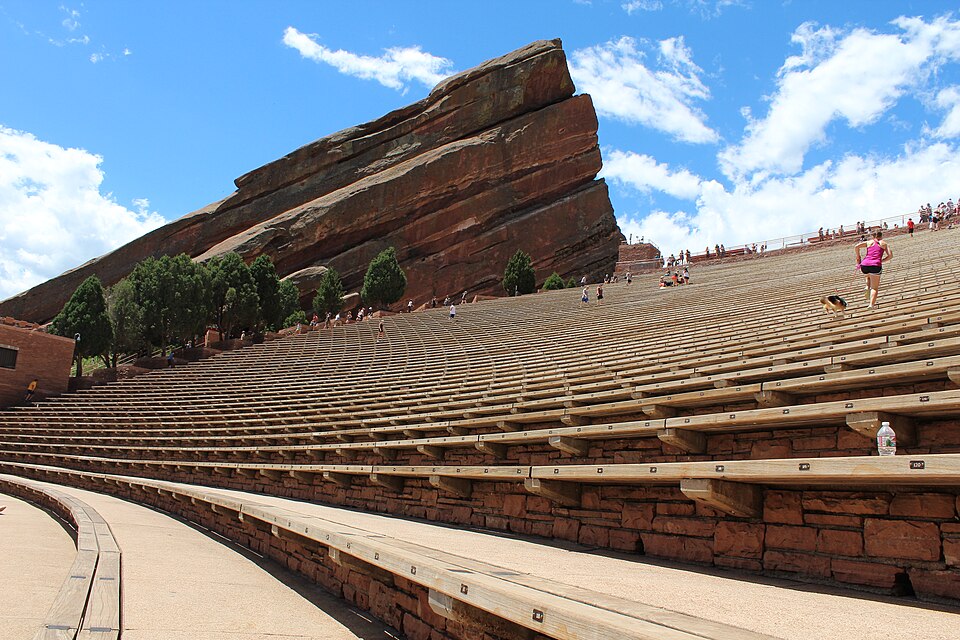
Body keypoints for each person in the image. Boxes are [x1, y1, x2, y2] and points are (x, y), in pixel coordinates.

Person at [855, 230, 893, 309]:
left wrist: (858, 257)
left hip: (864, 264)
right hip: (875, 265)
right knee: (874, 288)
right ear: (881, 236)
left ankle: (867, 287)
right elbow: (890, 256)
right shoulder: (884, 244)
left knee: (868, 275)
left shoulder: (869, 242)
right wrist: (882, 260)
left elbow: (856, 246)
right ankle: (871, 305)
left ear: (873, 236)